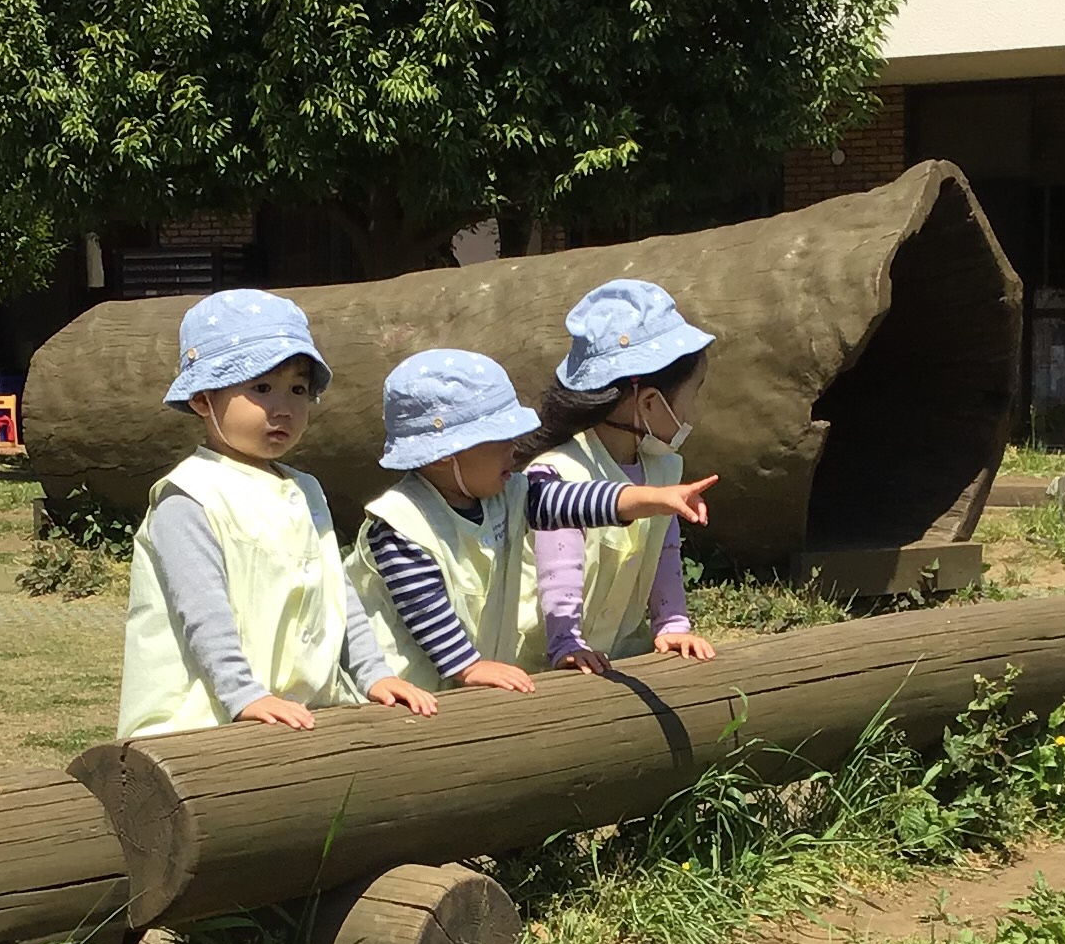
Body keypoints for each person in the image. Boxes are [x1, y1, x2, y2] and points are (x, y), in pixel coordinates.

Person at [119, 289, 437, 738]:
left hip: (300, 714)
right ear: (203, 399)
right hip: (200, 722)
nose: (283, 407)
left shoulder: (305, 490)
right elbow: (203, 612)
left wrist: (372, 673)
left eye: (299, 389)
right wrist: (244, 694)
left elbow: (337, 593)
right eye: (261, 388)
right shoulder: (190, 495)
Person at [345, 348, 714, 695]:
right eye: (500, 441)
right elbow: (422, 605)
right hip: (401, 689)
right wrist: (467, 666)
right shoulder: (400, 521)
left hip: (470, 682)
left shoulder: (507, 495)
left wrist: (654, 498)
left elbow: (574, 500)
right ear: (445, 455)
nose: (515, 450)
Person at [523, 279, 719, 673]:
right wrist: (565, 643)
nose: (693, 413)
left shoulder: (664, 469)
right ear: (649, 402)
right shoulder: (558, 473)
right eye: (690, 397)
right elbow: (559, 569)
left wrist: (672, 623)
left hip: (621, 656)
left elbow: (664, 553)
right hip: (539, 664)